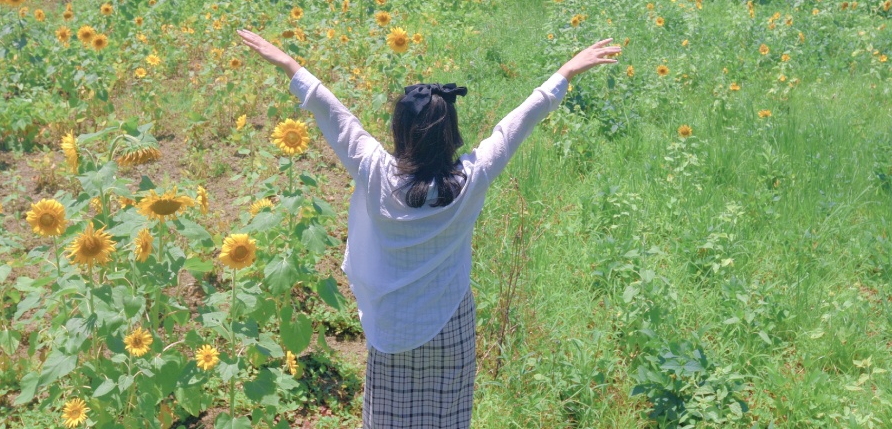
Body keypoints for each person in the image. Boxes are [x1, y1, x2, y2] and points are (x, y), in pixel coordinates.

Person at [237, 29, 621, 428]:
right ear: (450, 132)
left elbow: (332, 112)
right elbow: (515, 125)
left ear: (400, 132)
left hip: (393, 328)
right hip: (449, 320)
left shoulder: (375, 173)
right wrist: (566, 71)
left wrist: (288, 63)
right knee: (445, 417)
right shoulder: (473, 177)